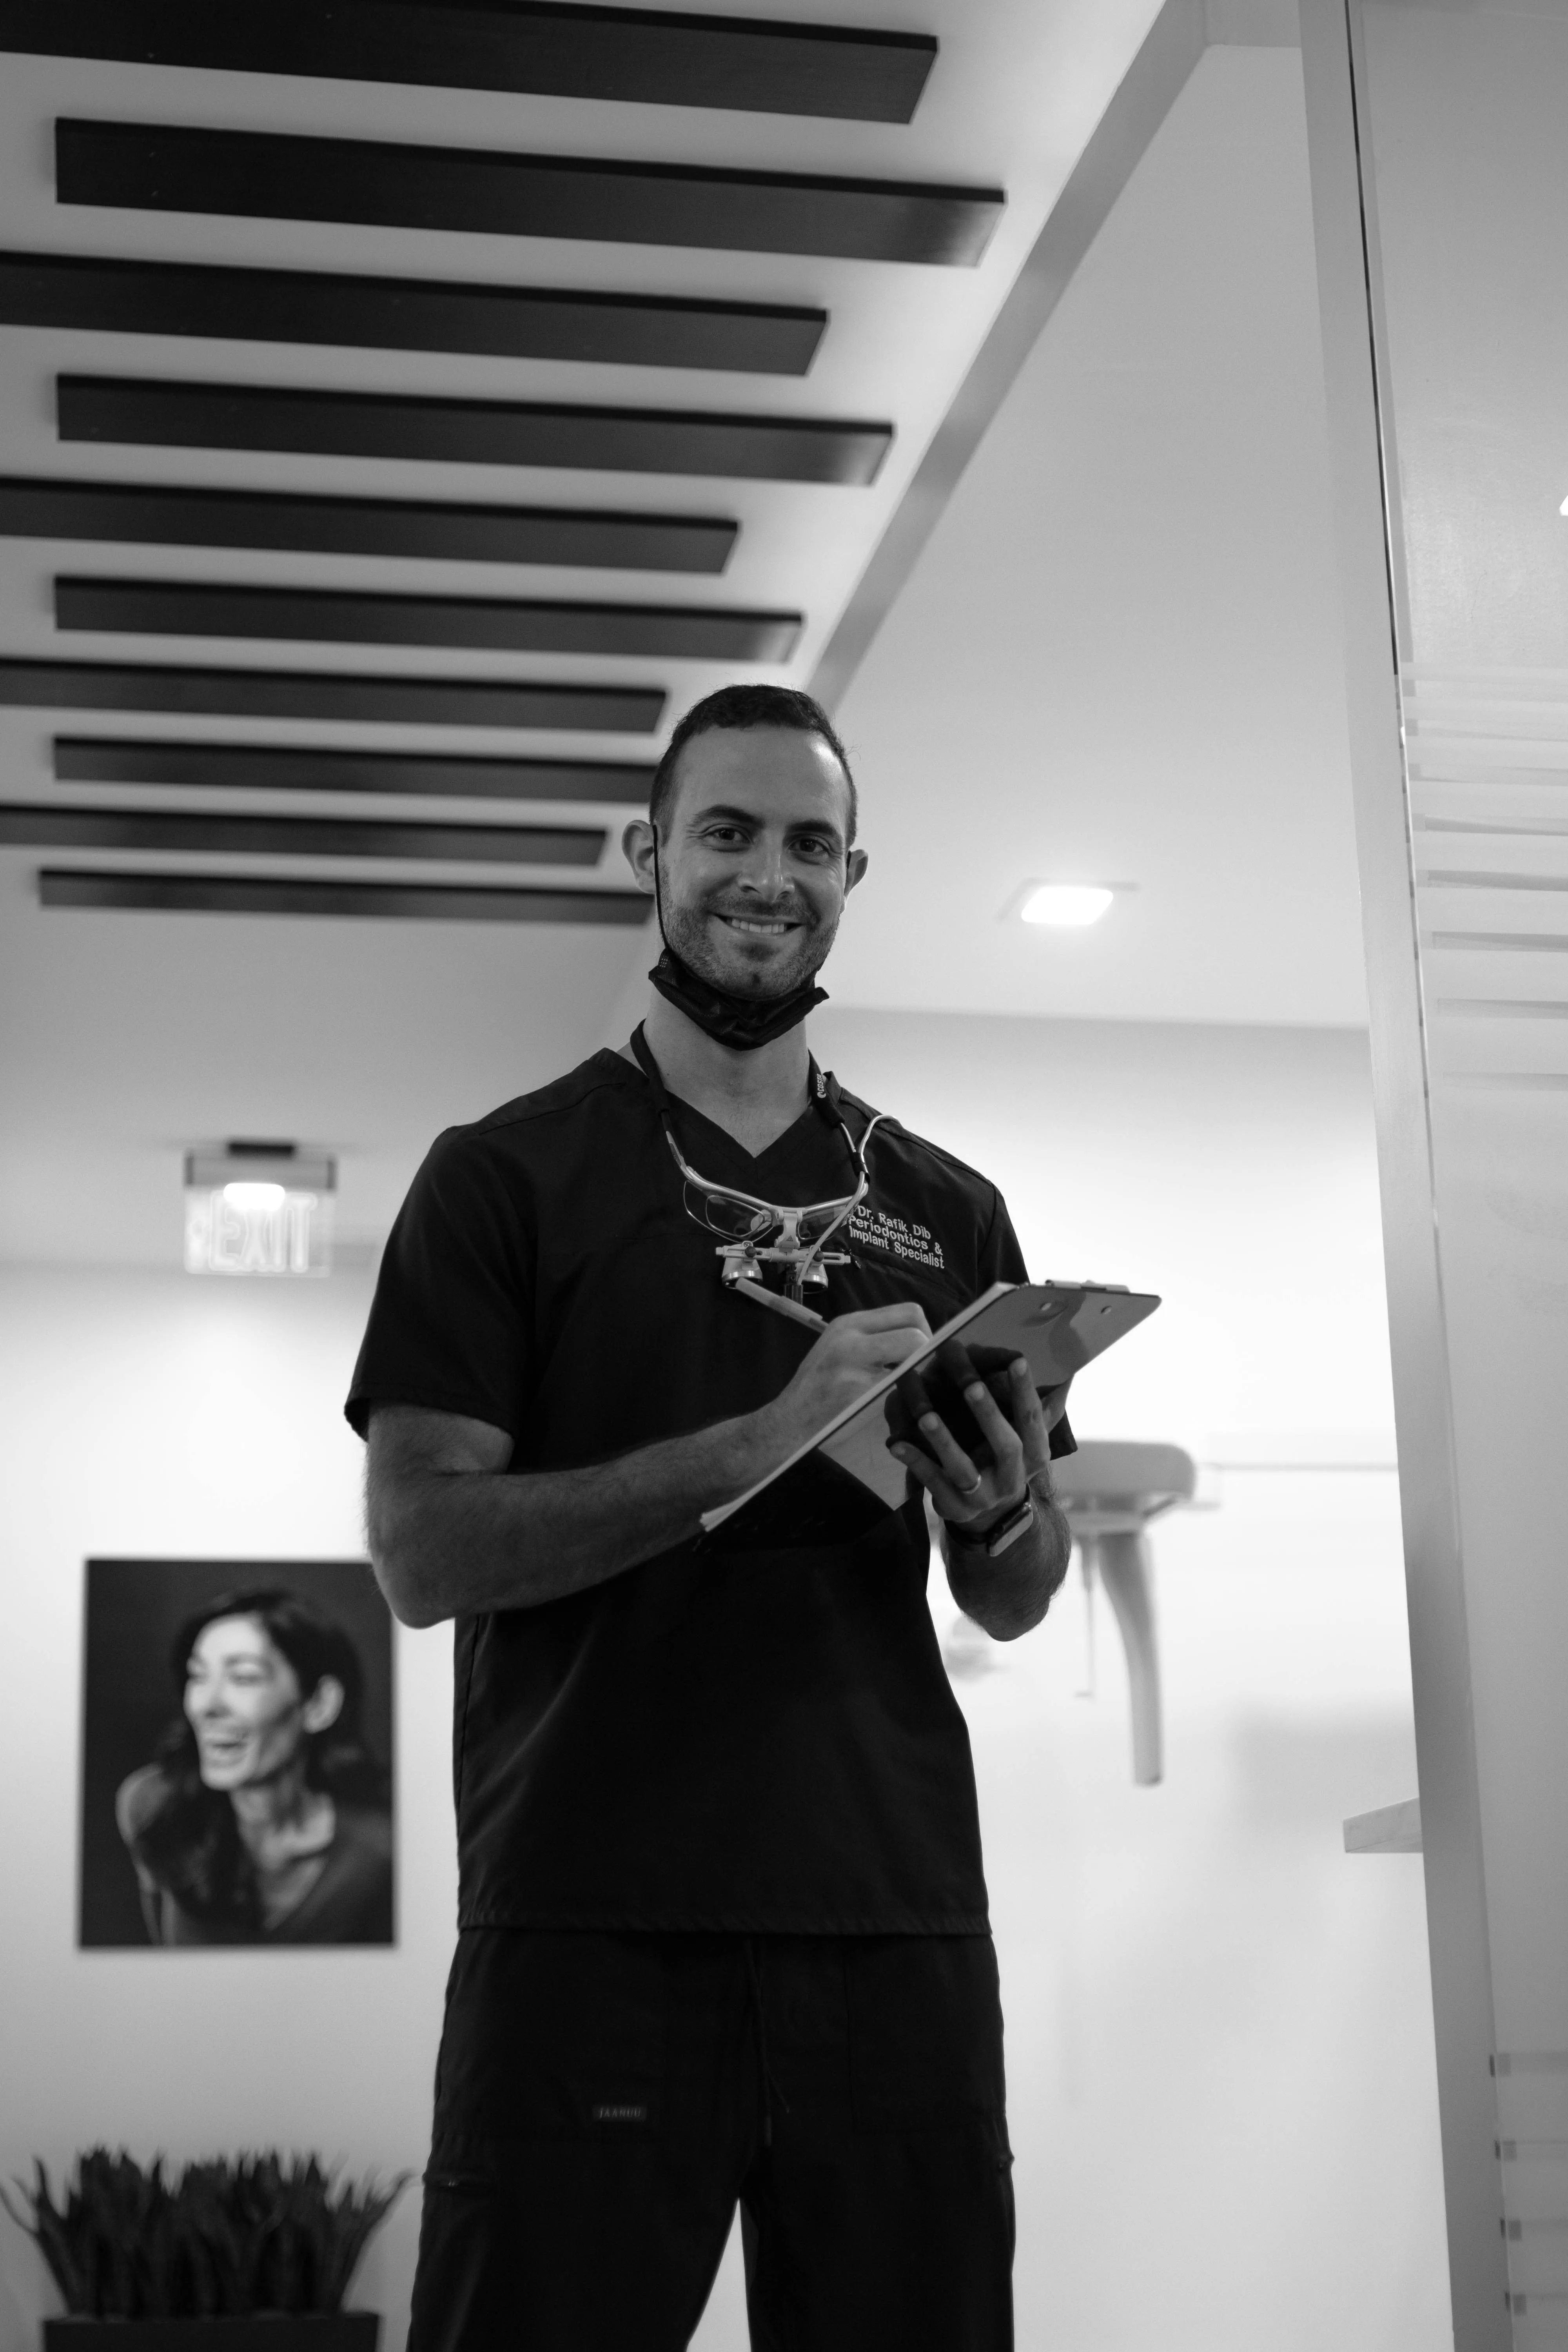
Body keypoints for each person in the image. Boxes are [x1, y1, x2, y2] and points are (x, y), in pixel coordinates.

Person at [349, 682, 1076, 2350]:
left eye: (807, 841)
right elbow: (421, 1549)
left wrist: (998, 1514)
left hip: (891, 1919)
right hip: (592, 1922)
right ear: (648, 855)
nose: (769, 873)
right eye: (728, 832)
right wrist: (754, 1438)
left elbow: (1019, 1590)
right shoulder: (504, 1177)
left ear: (852, 872)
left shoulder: (949, 1207)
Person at [115, 1587, 392, 1947]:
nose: (206, 1706)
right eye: (198, 1676)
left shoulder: (380, 1852)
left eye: (244, 1677)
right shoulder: (152, 1804)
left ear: (319, 1705)